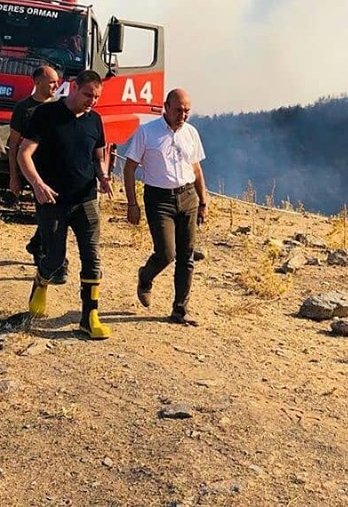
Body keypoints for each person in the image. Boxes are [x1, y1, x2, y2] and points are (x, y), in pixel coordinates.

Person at [17, 70, 113, 339]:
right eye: (87, 95)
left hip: (86, 199)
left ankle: (89, 316)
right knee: (55, 258)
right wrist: (37, 184)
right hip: (52, 200)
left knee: (92, 257)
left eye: (96, 97)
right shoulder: (46, 115)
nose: (91, 101)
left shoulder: (95, 120)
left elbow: (98, 155)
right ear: (73, 87)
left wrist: (103, 177)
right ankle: (41, 282)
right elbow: (24, 152)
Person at [123, 88, 208, 326]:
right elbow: (129, 168)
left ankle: (180, 310)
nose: (183, 115)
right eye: (179, 109)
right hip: (158, 199)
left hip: (188, 196)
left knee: (186, 256)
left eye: (187, 110)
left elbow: (197, 169)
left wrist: (203, 201)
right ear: (166, 107)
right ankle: (145, 276)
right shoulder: (146, 132)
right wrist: (132, 204)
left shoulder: (191, 133)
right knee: (166, 253)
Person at [8, 65, 64, 276]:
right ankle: (52, 256)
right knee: (47, 210)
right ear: (38, 82)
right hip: (34, 170)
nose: (56, 85)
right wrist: (14, 177)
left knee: (56, 211)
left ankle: (36, 243)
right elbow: (14, 145)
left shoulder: (60, 107)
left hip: (58, 169)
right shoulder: (24, 109)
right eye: (51, 82)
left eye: (57, 81)